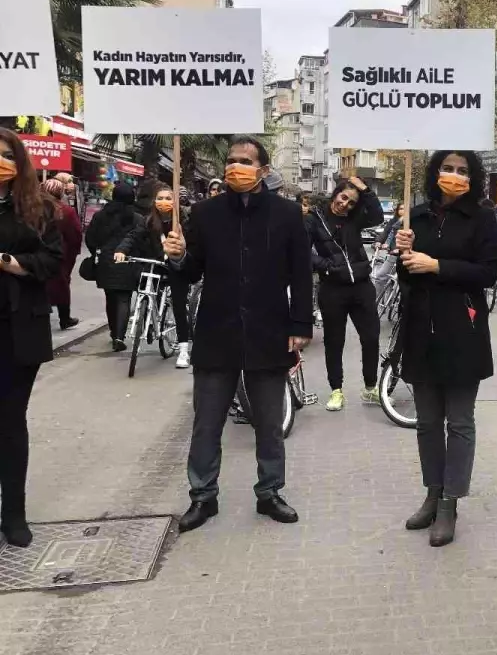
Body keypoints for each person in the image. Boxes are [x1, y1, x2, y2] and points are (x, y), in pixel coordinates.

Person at [164, 137, 313, 533]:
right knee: (207, 422)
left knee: (269, 422)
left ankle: (270, 492)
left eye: (245, 161)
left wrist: (301, 325)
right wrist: (178, 255)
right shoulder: (206, 212)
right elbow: (192, 269)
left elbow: (301, 274)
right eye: (230, 160)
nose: (235, 167)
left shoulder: (286, 214)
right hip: (217, 331)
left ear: (263, 170)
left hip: (269, 330)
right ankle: (202, 496)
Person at [393, 151, 497, 548]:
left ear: (472, 178)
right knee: (426, 422)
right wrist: (404, 255)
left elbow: (488, 273)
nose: (453, 176)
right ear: (435, 172)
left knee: (459, 422)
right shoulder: (416, 217)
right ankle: (432, 492)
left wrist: (437, 265)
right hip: (421, 331)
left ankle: (450, 503)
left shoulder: (483, 218)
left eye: (462, 171)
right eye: (447, 169)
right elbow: (407, 277)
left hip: (463, 331)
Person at [0, 129, 64, 548]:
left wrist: (15, 264)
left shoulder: (37, 208)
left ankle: (14, 514)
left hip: (16, 327)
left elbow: (54, 260)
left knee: (8, 422)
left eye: (5, 154)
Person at [307, 176, 385, 410]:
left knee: (371, 338)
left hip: (361, 286)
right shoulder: (313, 219)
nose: (345, 205)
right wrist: (327, 266)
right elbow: (303, 252)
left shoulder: (354, 219)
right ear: (335, 194)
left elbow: (378, 216)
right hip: (333, 289)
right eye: (343, 197)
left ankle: (370, 388)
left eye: (351, 202)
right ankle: (336, 391)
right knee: (334, 342)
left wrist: (365, 190)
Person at [114, 184, 194, 369]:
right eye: (160, 198)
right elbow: (133, 236)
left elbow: (192, 243)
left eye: (168, 198)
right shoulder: (148, 221)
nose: (163, 202)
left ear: (175, 201)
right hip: (155, 264)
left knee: (179, 304)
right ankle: (149, 320)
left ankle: (183, 349)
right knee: (147, 287)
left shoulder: (184, 220)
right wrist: (121, 250)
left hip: (177, 266)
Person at [84, 182, 142, 351]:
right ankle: (119, 336)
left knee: (110, 298)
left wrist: (97, 252)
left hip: (106, 261)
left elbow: (90, 238)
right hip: (128, 260)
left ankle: (113, 331)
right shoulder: (136, 218)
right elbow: (141, 239)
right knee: (124, 298)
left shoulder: (100, 216)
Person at [41, 178, 82, 331]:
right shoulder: (66, 211)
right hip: (60, 255)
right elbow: (75, 235)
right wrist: (73, 252)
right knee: (61, 286)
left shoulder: (31, 208)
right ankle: (64, 318)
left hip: (35, 253)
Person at [372, 204, 405, 301]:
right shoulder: (394, 221)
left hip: (407, 256)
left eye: (405, 209)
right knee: (381, 276)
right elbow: (386, 232)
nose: (403, 211)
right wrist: (379, 242)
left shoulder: (413, 221)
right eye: (401, 209)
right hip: (393, 255)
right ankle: (376, 302)